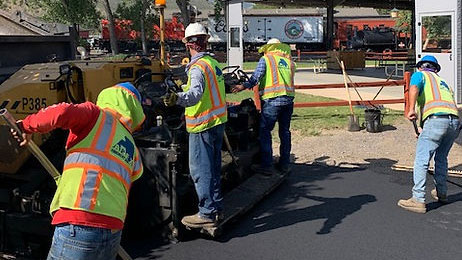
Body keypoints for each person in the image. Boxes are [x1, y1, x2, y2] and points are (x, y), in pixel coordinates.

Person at [11, 82, 145, 259]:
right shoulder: (131, 147)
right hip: (112, 230)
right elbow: (133, 175)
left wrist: (26, 126)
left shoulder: (95, 115)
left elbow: (61, 112)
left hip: (79, 222)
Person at [163, 23, 227, 228]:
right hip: (218, 122)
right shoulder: (212, 63)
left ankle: (206, 213)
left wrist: (176, 97)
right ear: (205, 41)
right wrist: (184, 87)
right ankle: (215, 208)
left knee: (201, 169)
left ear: (188, 44)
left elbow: (195, 95)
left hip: (203, 124)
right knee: (214, 167)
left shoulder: (197, 67)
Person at [398, 55, 460, 213]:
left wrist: (410, 109)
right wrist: (421, 128)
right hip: (453, 122)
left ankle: (418, 199)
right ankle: (442, 192)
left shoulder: (420, 75)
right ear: (436, 68)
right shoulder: (444, 83)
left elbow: (413, 89)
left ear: (421, 66)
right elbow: (438, 105)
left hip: (436, 121)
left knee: (422, 159)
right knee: (441, 157)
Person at [232, 38, 296, 175]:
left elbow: (256, 77)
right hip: (288, 102)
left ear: (269, 48)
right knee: (285, 132)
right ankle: (285, 164)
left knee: (265, 132)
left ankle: (266, 165)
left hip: (272, 101)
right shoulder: (290, 62)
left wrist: (242, 86)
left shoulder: (267, 59)